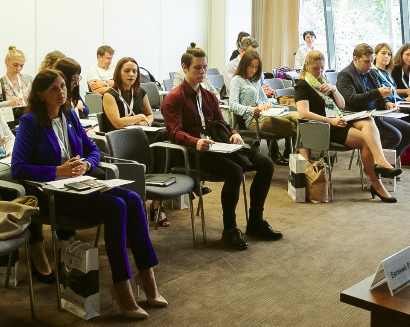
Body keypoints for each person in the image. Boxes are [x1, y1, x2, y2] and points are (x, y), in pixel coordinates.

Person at [12, 69, 165, 318]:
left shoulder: (70, 115)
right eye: (53, 89)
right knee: (116, 206)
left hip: (79, 183)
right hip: (52, 194)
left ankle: (147, 276)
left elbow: (93, 150)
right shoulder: (30, 122)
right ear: (39, 94)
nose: (61, 92)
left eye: (63, 86)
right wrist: (58, 171)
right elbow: (18, 168)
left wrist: (86, 164)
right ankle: (121, 285)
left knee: (133, 199)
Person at [163, 46, 283, 249]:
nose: (202, 72)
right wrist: (195, 142)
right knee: (235, 172)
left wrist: (234, 133)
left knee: (266, 163)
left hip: (216, 146)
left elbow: (222, 123)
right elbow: (173, 132)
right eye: (197, 68)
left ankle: (255, 221)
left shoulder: (208, 96)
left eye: (205, 67)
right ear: (184, 68)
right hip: (193, 153)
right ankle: (229, 229)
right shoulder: (174, 98)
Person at [294, 50, 398, 202]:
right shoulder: (302, 85)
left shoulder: (323, 82)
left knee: (368, 121)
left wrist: (334, 89)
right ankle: (377, 184)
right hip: (321, 127)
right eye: (315, 68)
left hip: (337, 120)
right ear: (306, 66)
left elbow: (341, 105)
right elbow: (304, 114)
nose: (319, 72)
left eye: (322, 68)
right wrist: (330, 121)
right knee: (366, 141)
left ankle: (380, 162)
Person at [101, 57, 167, 226]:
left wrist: (147, 122)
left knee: (165, 139)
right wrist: (139, 117)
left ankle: (157, 202)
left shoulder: (139, 92)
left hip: (139, 134)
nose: (131, 74)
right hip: (120, 140)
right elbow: (117, 122)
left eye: (134, 71)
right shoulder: (110, 95)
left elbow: (150, 115)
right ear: (118, 73)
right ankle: (152, 200)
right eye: (127, 71)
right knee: (158, 146)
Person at [336, 44, 410, 169]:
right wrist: (378, 93)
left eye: (371, 61)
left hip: (376, 113)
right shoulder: (345, 75)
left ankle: (385, 164)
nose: (370, 65)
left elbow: (379, 97)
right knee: (394, 136)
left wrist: (386, 103)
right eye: (366, 62)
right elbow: (352, 100)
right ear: (355, 59)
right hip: (358, 116)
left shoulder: (370, 72)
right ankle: (374, 166)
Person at [228, 49, 296, 166]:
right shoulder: (236, 80)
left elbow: (265, 100)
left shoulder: (254, 81)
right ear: (244, 64)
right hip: (252, 120)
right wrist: (251, 109)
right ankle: (308, 142)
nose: (253, 70)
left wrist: (267, 104)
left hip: (264, 115)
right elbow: (233, 105)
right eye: (251, 66)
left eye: (256, 67)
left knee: (297, 116)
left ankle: (308, 136)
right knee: (295, 125)